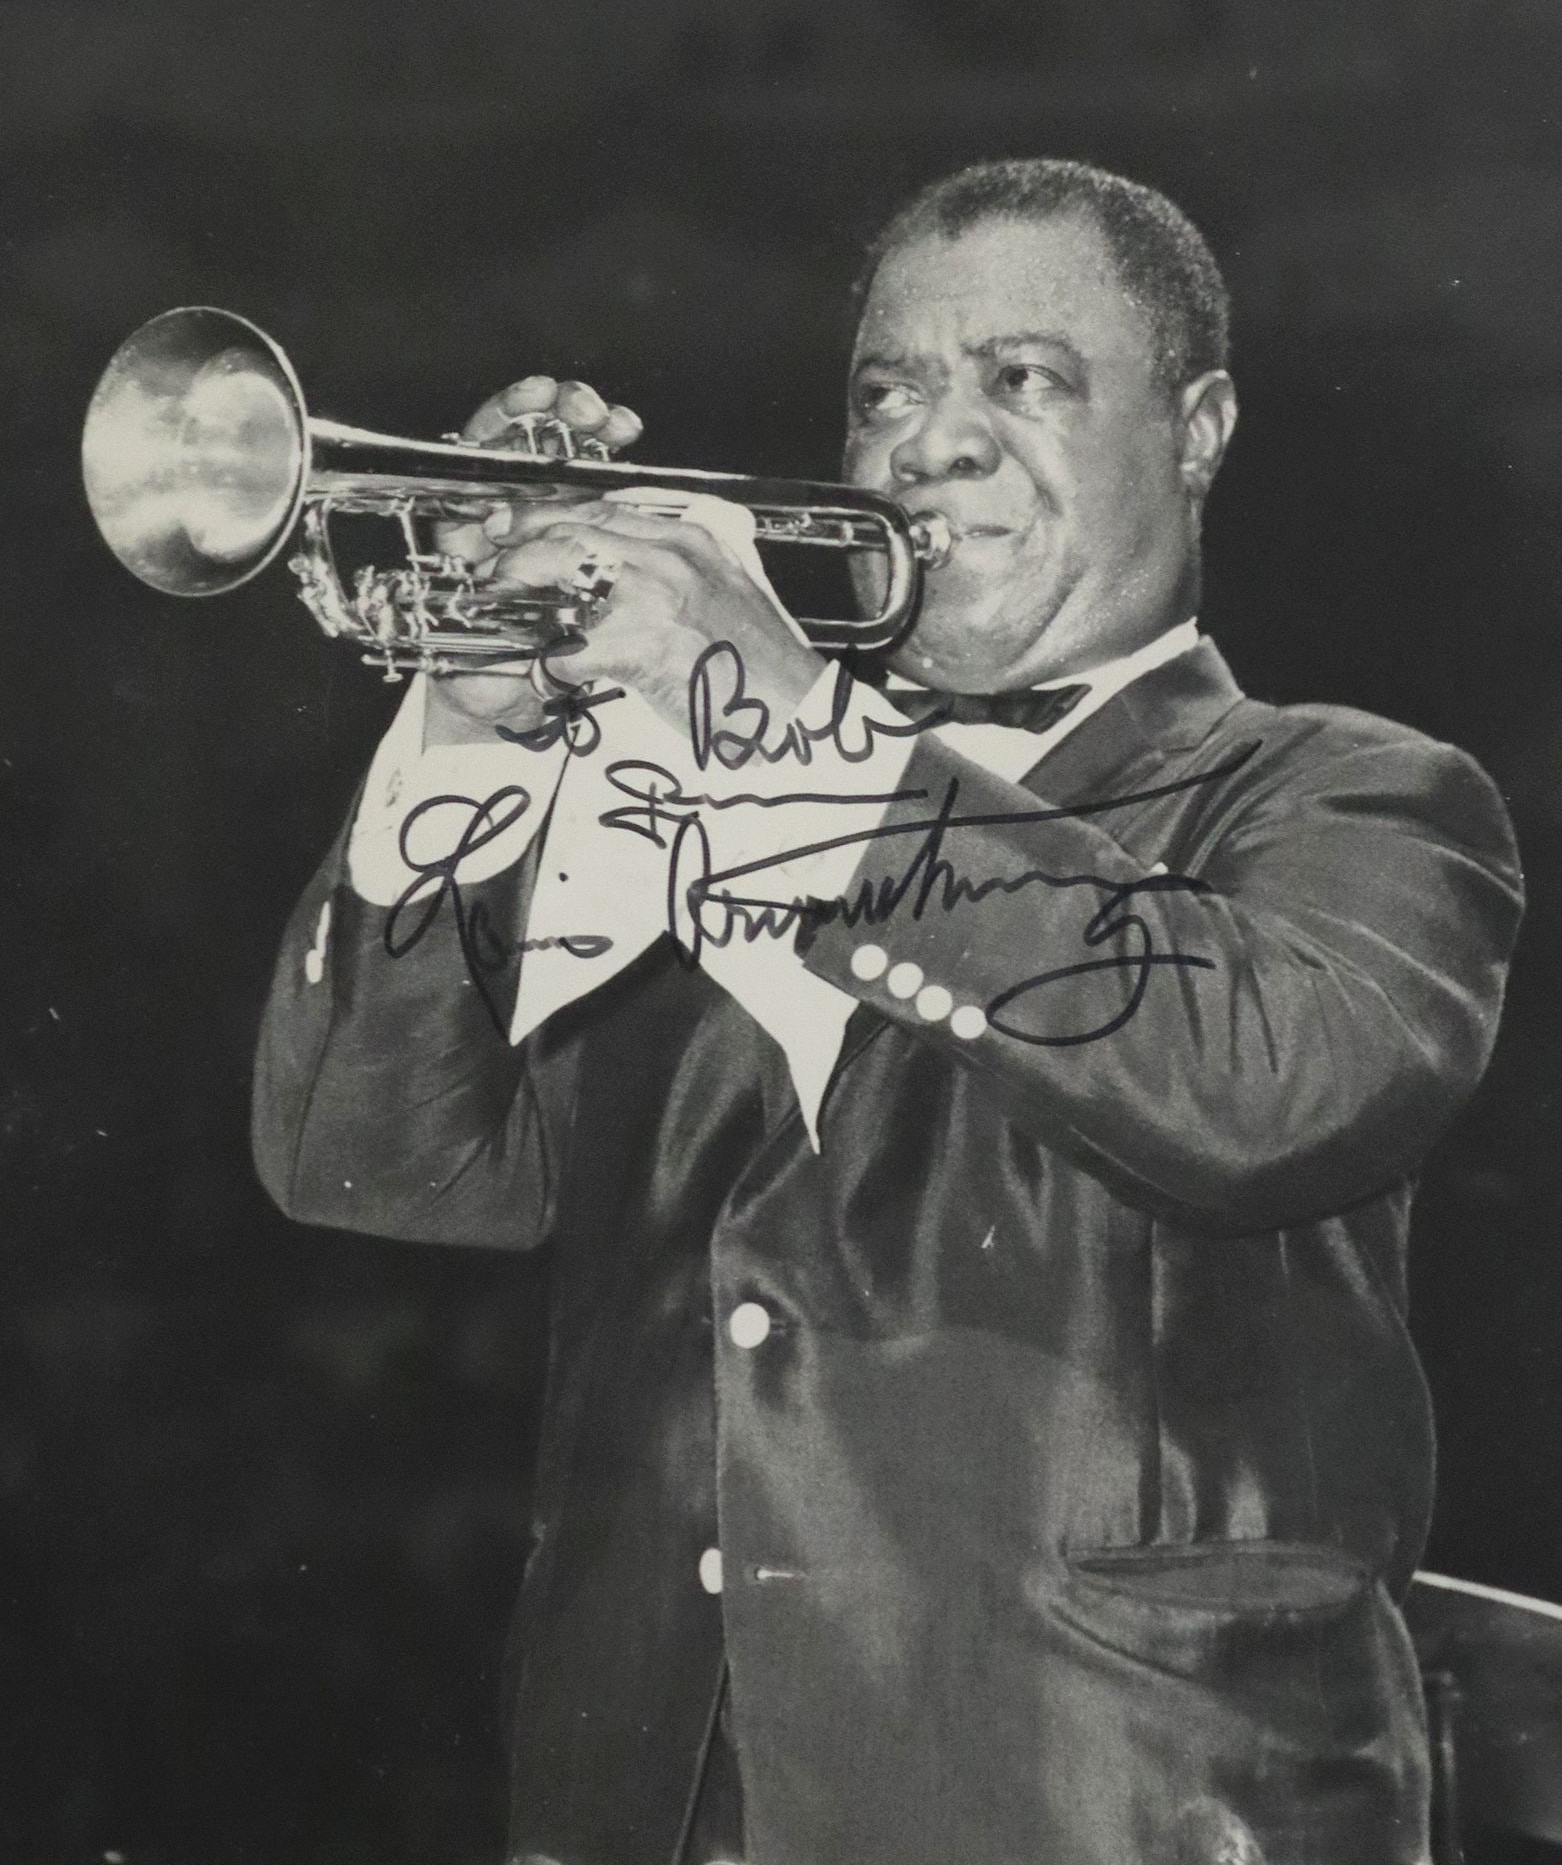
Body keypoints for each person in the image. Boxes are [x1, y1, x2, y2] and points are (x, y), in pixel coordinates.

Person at [253, 159, 1524, 1865]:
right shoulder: (688, 791)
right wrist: (471, 729)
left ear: (1197, 429)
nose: (932, 441)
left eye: (1023, 378)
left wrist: (800, 736)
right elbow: (368, 1164)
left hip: (1114, 1807)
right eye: (888, 391)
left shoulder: (1351, 795)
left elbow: (1262, 1090)